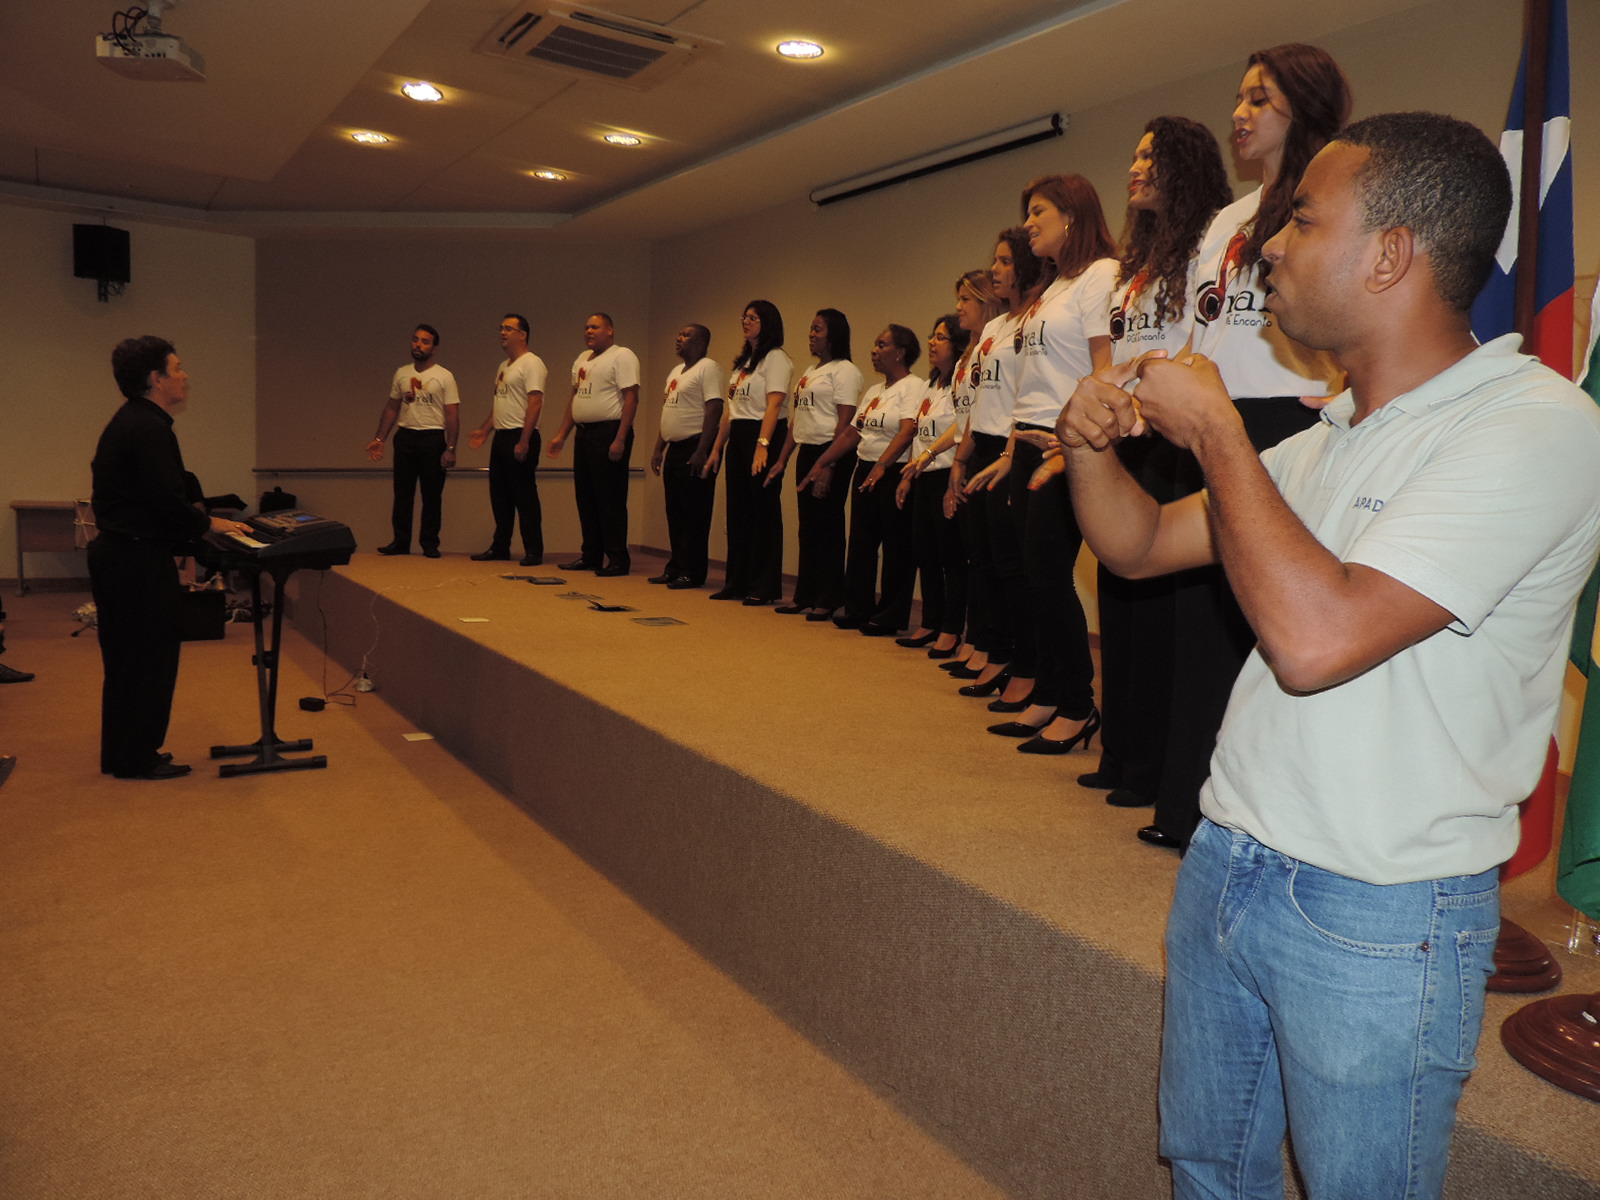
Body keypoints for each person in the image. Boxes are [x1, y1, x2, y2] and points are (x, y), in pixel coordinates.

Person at [1058, 111, 1600, 1200]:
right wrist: (1083, 444)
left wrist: (1218, 434)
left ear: (1390, 254)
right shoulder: (1329, 437)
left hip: (1380, 905)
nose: (1268, 245)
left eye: (1302, 219)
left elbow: (1315, 641)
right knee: (1210, 1169)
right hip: (1231, 855)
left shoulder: (1535, 424)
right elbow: (1139, 544)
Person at [1137, 43, 1353, 851]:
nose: (1239, 112)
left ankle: (1258, 815)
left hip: (1283, 421)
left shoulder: (1325, 204)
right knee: (1198, 622)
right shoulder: (1227, 220)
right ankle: (1186, 807)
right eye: (1239, 97)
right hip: (1210, 418)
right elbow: (1202, 331)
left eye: (1259, 98)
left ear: (1305, 106)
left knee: (1255, 626)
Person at [1081, 116, 1232, 810]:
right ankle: (1123, 753)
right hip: (1129, 436)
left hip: (1173, 440)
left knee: (1167, 617)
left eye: (1151, 156)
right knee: (1121, 601)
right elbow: (1113, 359)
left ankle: (1161, 774)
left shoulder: (1206, 250)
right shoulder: (1131, 268)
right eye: (1136, 154)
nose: (1135, 167)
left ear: (1185, 167)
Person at [89, 336, 253, 780]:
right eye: (177, 368)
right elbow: (164, 499)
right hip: (135, 559)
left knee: (127, 661)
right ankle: (136, 757)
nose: (185, 376)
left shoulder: (135, 420)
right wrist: (209, 525)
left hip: (123, 555)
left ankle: (123, 753)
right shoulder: (148, 428)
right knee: (148, 660)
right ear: (155, 378)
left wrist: (201, 525)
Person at [993, 174, 1117, 754]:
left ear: (1071, 215)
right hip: (1026, 440)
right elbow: (1032, 379)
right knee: (1030, 575)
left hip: (1063, 444)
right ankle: (1048, 690)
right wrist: (1011, 446)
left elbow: (1104, 366)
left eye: (1038, 211)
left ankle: (1076, 705)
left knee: (1048, 573)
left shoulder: (1100, 276)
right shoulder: (1052, 288)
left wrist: (1073, 440)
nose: (1027, 224)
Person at [954, 232, 1047, 700]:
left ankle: (1021, 661)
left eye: (1005, 261)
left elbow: (1024, 397)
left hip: (1013, 448)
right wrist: (960, 458)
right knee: (986, 560)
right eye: (995, 260)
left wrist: (1009, 456)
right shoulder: (993, 329)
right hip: (984, 447)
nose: (994, 269)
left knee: (1012, 566)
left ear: (1026, 267)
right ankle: (995, 650)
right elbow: (979, 401)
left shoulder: (1033, 321)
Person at [816, 325, 922, 635]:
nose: (874, 351)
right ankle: (857, 608)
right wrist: (822, 462)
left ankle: (889, 615)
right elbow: (853, 432)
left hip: (893, 470)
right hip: (865, 467)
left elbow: (907, 430)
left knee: (896, 546)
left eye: (882, 345)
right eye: (875, 344)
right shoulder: (876, 391)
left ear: (900, 352)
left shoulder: (913, 387)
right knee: (861, 542)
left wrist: (882, 465)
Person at [706, 300, 793, 605]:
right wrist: (717, 447)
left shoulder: (776, 359)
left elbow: (774, 404)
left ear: (767, 323)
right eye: (744, 317)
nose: (746, 321)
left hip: (764, 434)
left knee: (763, 511)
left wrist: (763, 445)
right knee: (738, 511)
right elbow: (732, 410)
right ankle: (737, 582)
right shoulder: (744, 363)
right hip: (739, 435)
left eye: (753, 318)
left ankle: (763, 586)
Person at [895, 315, 972, 653]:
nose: (932, 342)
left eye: (940, 337)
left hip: (948, 473)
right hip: (923, 475)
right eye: (932, 336)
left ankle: (951, 629)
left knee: (950, 555)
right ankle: (930, 622)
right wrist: (909, 475)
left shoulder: (960, 381)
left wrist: (928, 456)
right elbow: (917, 434)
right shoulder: (931, 385)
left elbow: (961, 427)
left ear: (956, 344)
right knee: (924, 551)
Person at [780, 310, 863, 620]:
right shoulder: (811, 370)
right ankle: (805, 594)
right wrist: (782, 459)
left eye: (818, 329)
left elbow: (846, 419)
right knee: (809, 526)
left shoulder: (845, 371)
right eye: (811, 329)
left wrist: (829, 464)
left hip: (832, 452)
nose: (811, 334)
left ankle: (828, 597)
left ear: (834, 334)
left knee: (828, 525)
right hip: (808, 450)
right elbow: (798, 419)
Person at [548, 313, 640, 576]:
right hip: (584, 433)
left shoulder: (622, 356)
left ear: (610, 330)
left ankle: (618, 558)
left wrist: (620, 438)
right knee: (586, 497)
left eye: (595, 327)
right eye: (586, 327)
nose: (588, 331)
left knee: (610, 498)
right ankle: (591, 555)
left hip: (609, 431)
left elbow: (631, 398)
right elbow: (575, 398)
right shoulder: (582, 359)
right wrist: (562, 435)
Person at [367, 324, 458, 559]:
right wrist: (380, 438)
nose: (418, 345)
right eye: (415, 340)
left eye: (425, 342)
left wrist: (450, 448)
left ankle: (429, 543)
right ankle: (401, 541)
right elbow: (392, 407)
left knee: (431, 495)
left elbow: (452, 414)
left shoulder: (444, 376)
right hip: (406, 436)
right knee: (402, 493)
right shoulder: (402, 373)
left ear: (434, 348)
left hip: (432, 437)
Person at [467, 314, 546, 566]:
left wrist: (524, 440)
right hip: (501, 436)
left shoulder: (532, 363)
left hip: (520, 435)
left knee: (524, 495)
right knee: (499, 495)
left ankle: (533, 550)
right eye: (501, 328)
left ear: (522, 334)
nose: (502, 332)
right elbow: (501, 405)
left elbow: (535, 403)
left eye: (509, 329)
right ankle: (500, 546)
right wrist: (484, 430)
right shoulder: (504, 366)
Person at [649, 324, 723, 589]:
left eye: (686, 335)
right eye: (679, 333)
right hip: (675, 447)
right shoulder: (675, 372)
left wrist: (702, 450)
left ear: (701, 343)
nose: (678, 338)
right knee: (675, 511)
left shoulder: (708, 368)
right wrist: (658, 448)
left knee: (695, 514)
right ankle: (676, 566)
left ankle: (692, 571)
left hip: (696, 446)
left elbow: (714, 409)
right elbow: (668, 412)